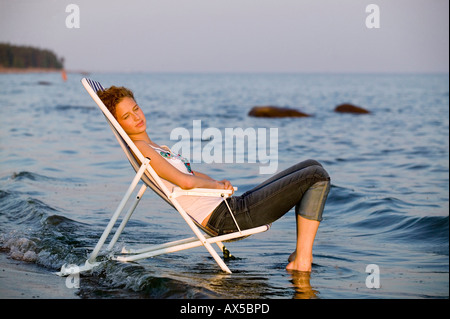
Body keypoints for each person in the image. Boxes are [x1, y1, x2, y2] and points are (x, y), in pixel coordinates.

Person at [98, 86, 331, 272]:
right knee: (317, 176)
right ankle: (302, 259)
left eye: (136, 109)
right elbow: (185, 182)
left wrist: (218, 183)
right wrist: (215, 186)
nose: (137, 117)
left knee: (312, 165)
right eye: (127, 117)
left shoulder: (156, 147)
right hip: (226, 219)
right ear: (119, 124)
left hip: (229, 207)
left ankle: (299, 255)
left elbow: (191, 175)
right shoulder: (142, 148)